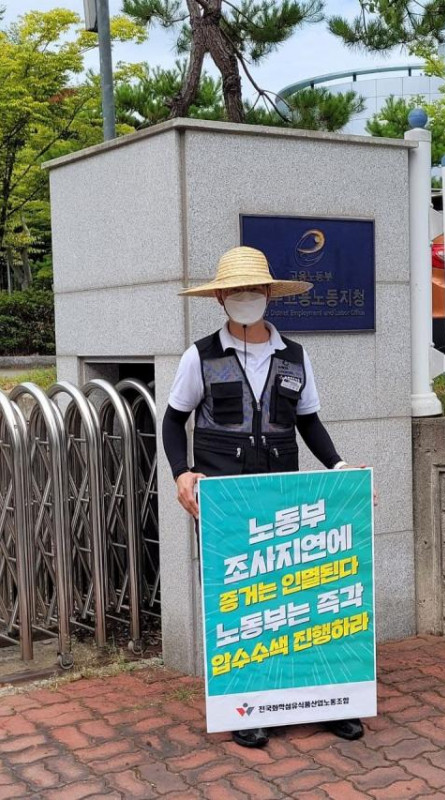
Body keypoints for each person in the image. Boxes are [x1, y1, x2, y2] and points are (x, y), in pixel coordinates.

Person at [162, 245, 366, 748]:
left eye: (254, 290)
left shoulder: (294, 355)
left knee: (293, 595)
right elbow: (172, 420)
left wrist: (339, 468)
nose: (246, 298)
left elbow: (309, 422)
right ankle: (246, 706)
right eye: (236, 291)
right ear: (221, 299)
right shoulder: (200, 356)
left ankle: (324, 698)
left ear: (269, 295)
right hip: (223, 495)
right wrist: (181, 473)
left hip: (281, 492)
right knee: (237, 601)